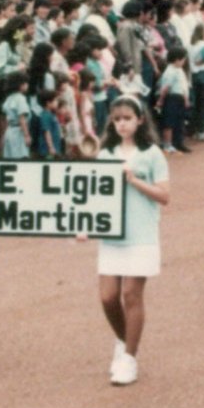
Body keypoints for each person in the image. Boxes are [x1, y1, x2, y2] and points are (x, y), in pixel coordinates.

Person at [87, 95, 170, 386]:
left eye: (127, 118)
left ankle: (130, 358)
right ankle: (124, 342)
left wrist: (134, 180)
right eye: (117, 119)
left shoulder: (152, 153)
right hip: (112, 235)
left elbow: (164, 195)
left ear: (140, 120)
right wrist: (85, 224)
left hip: (141, 233)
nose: (122, 124)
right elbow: (95, 193)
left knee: (131, 296)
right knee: (108, 297)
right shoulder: (106, 152)